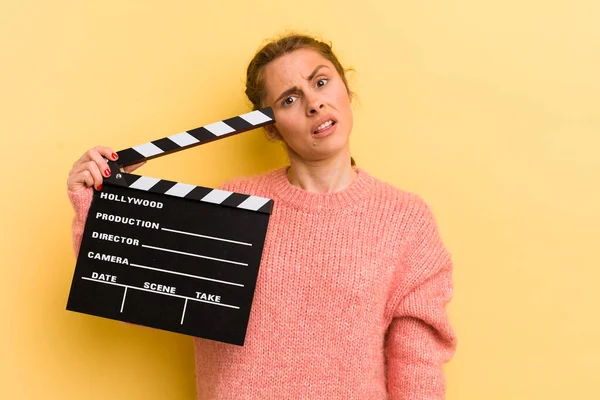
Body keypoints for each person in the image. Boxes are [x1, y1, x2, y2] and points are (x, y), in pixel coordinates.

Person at [67, 33, 457, 399]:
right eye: (289, 99)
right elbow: (138, 298)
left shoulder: (405, 220)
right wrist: (98, 204)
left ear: (346, 88)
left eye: (321, 82)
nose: (313, 103)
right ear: (270, 127)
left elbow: (417, 366)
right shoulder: (229, 207)